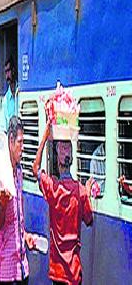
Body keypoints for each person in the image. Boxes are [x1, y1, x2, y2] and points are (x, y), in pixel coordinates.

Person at [32, 122, 94, 285]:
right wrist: (88, 192)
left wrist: (45, 137)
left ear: (58, 163)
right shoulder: (80, 191)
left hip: (57, 271)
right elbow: (89, 220)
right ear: (72, 160)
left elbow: (35, 168)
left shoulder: (52, 188)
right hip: (74, 271)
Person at [0, 116, 35, 285]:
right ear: (10, 141)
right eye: (20, 142)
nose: (23, 147)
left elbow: (18, 219)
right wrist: (3, 206)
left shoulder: (19, 173)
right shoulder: (0, 176)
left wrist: (25, 236)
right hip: (7, 269)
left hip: (22, 265)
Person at [0, 57, 18, 131]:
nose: (7, 75)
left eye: (8, 71)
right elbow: (3, 126)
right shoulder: (5, 100)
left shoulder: (20, 91)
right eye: (5, 72)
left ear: (13, 70)